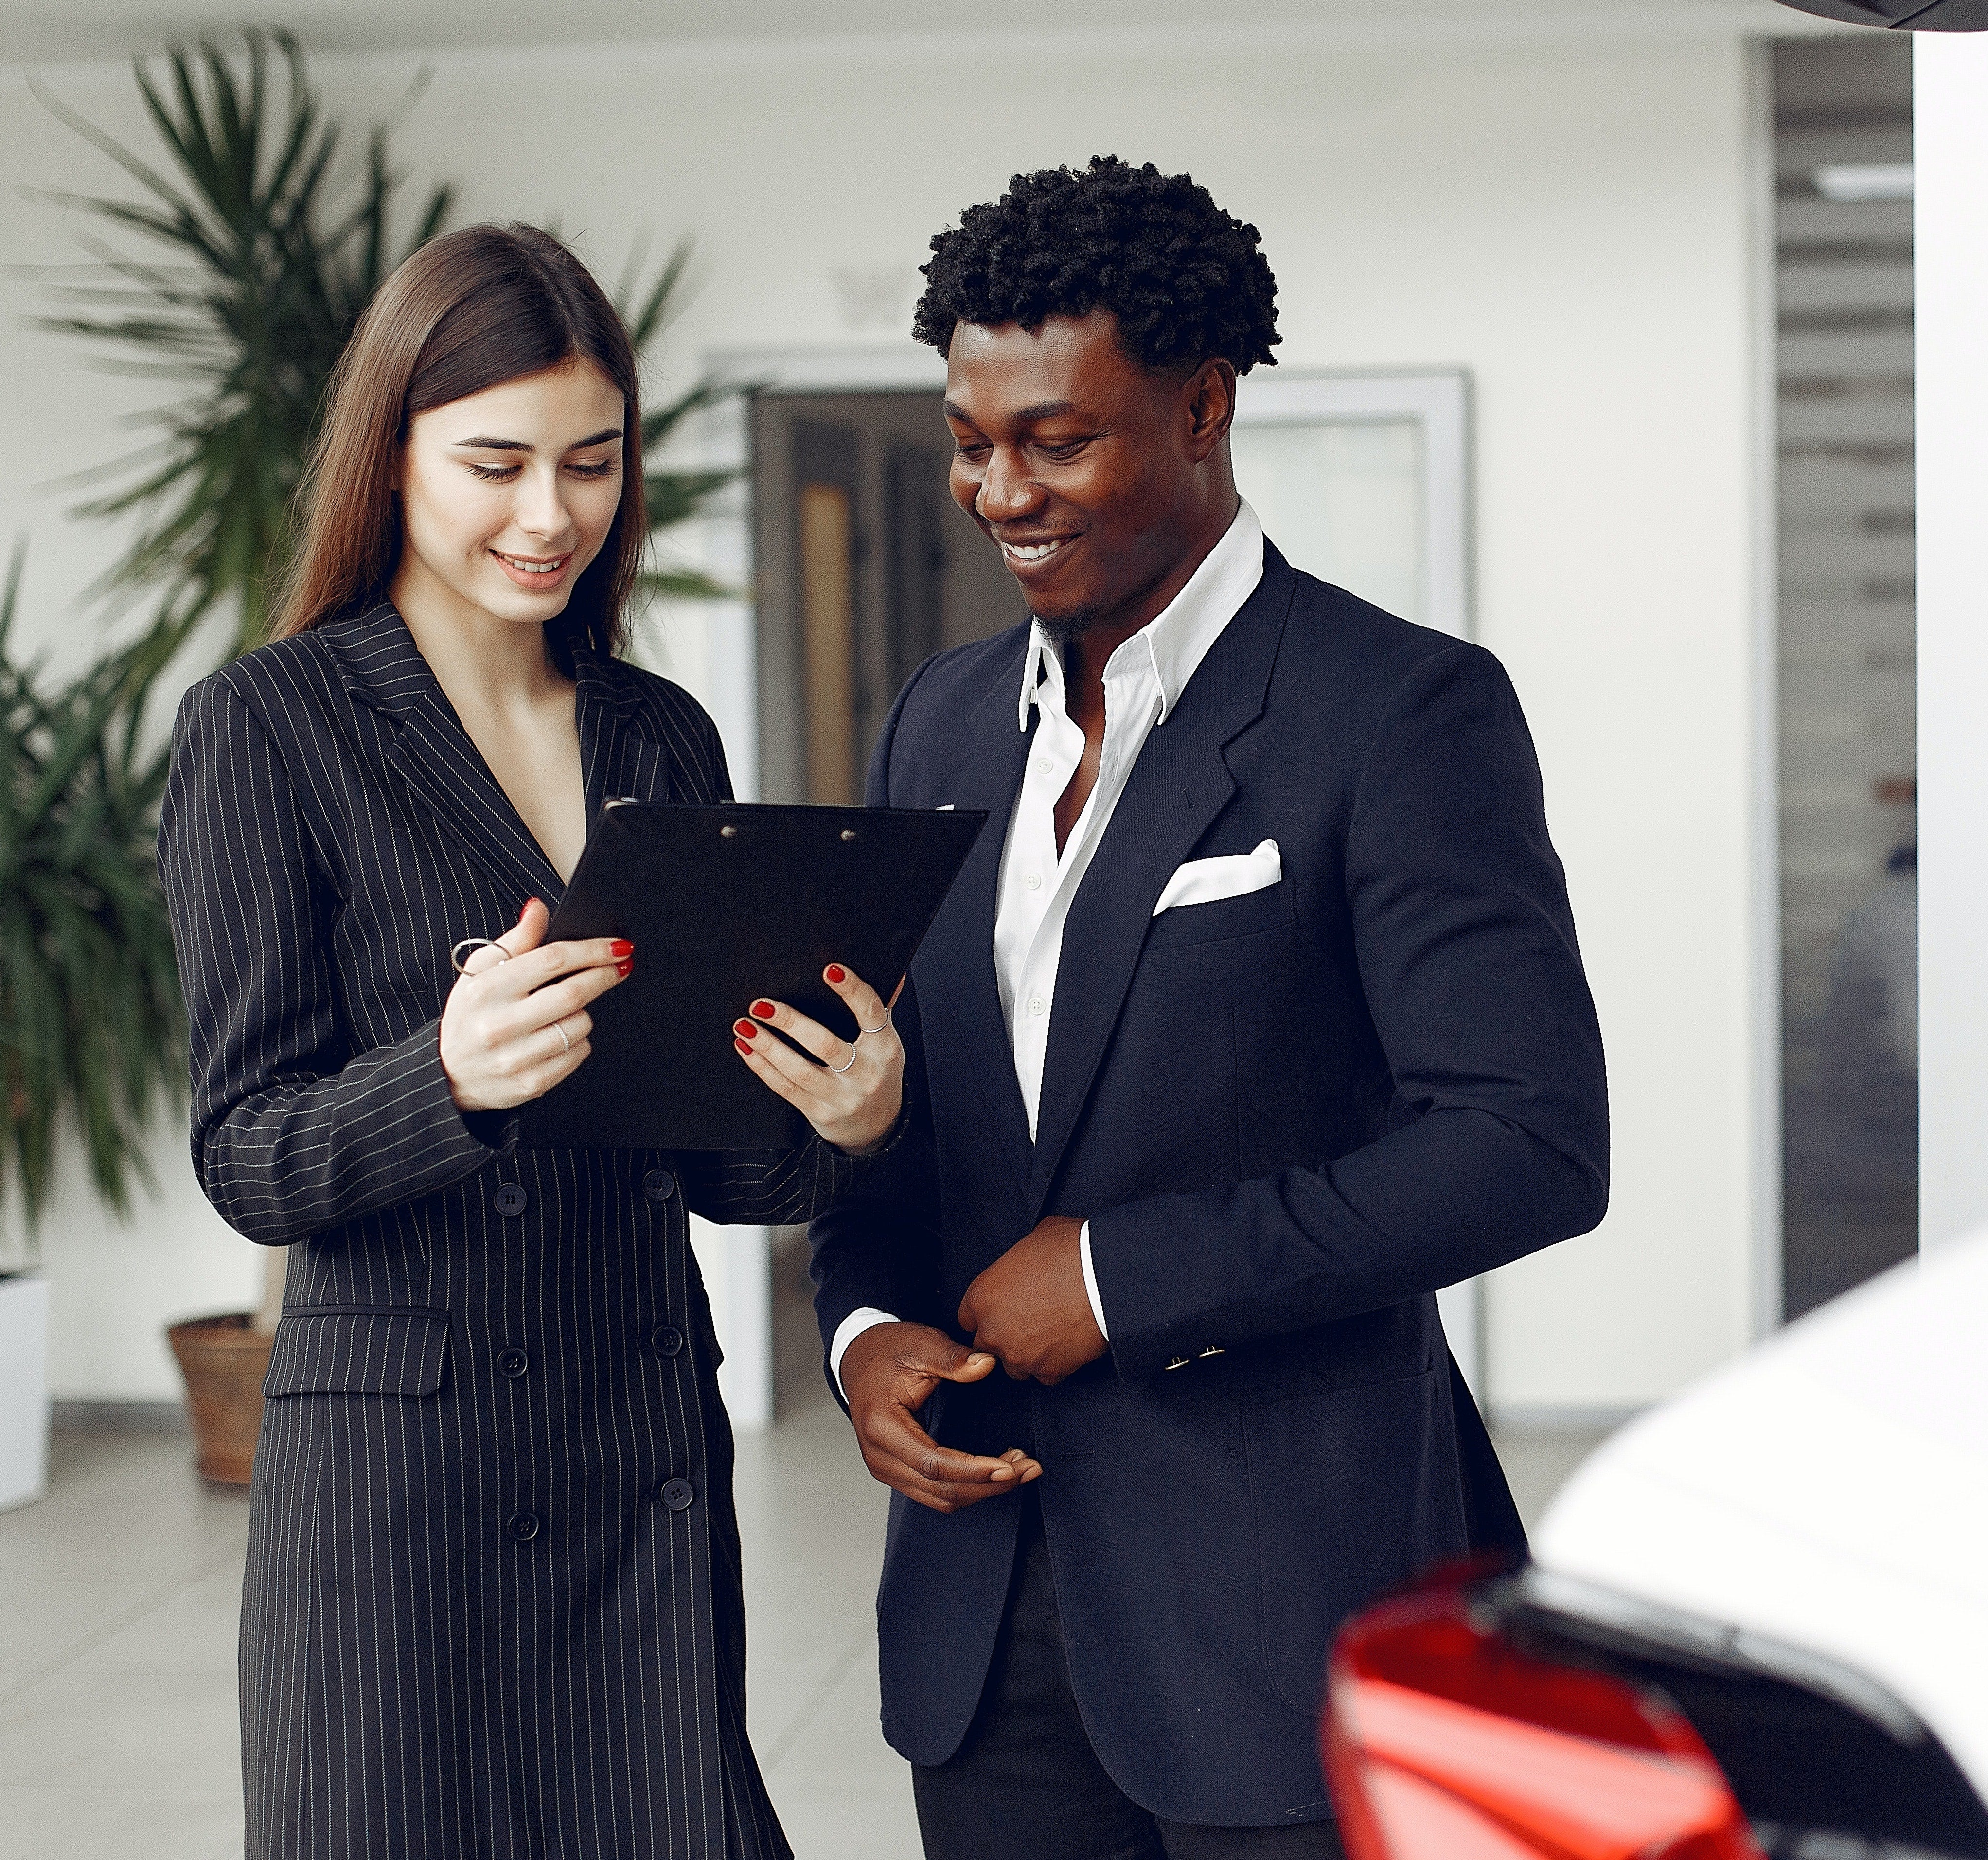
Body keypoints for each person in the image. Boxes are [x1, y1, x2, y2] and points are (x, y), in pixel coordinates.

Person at [809, 157, 1610, 1860]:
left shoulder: (1398, 711)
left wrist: (1119, 1275)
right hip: (980, 1607)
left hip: (1282, 1600)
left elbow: (1525, 1142)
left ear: (1201, 405)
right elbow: (912, 1121)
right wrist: (864, 1331)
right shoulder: (940, 729)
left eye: (1056, 439)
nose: (997, 489)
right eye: (970, 440)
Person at [158, 222, 910, 1860]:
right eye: (495, 462)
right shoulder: (266, 728)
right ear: (396, 453)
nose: (550, 513)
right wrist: (447, 1079)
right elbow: (246, 1155)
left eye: (591, 461)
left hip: (636, 1449)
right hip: (401, 1507)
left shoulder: (661, 732)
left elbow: (731, 1166)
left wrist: (838, 1113)